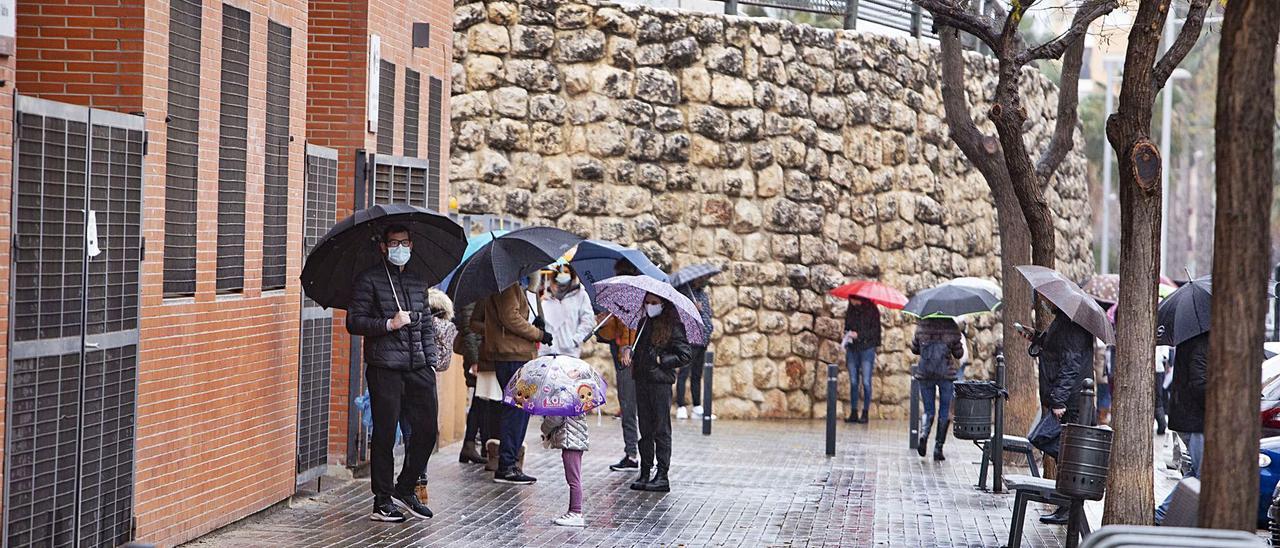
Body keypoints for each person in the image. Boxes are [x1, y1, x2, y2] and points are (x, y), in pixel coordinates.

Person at [344, 224, 438, 522]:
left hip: (418, 366)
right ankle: (382, 500)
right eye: (394, 243)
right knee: (385, 434)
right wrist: (389, 324)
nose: (401, 248)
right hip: (385, 367)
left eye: (405, 242)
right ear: (383, 246)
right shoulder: (369, 280)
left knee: (427, 429)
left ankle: (406, 487)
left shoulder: (417, 281)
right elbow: (354, 322)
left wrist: (431, 359)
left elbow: (424, 325)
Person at [471, 279, 553, 485]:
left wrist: (536, 326)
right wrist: (538, 334)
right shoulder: (507, 285)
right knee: (517, 410)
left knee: (518, 409)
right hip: (513, 355)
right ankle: (507, 465)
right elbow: (511, 318)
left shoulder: (513, 285)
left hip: (515, 354)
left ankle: (509, 463)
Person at [1022, 306, 1095, 525]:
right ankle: (1066, 505)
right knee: (1062, 451)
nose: (1048, 303)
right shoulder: (1063, 320)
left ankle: (1069, 504)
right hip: (1066, 397)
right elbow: (1057, 350)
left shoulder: (1072, 326)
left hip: (1070, 401)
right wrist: (1035, 336)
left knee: (1051, 443)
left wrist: (1059, 400)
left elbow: (1071, 364)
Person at [629, 291, 693, 492]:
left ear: (663, 304)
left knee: (661, 429)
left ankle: (662, 474)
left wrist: (661, 360)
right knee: (645, 429)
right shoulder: (643, 325)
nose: (649, 306)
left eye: (654, 302)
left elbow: (685, 354)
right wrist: (630, 355)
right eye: (647, 302)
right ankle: (645, 470)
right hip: (642, 381)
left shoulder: (674, 326)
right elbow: (639, 350)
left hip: (660, 383)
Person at [1155, 331, 1208, 524]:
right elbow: (1200, 383)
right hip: (1195, 420)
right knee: (1203, 475)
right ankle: (1163, 516)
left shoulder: (1194, 339)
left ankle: (1164, 515)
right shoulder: (1202, 342)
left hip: (1192, 418)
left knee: (1197, 473)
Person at [598, 262, 642, 473]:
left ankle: (632, 453)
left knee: (628, 404)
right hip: (626, 354)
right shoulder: (627, 295)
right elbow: (611, 331)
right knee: (630, 405)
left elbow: (628, 327)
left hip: (628, 357)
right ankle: (633, 451)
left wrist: (625, 346)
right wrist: (603, 321)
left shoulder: (629, 295)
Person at [910, 317, 964, 461]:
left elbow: (915, 349)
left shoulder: (922, 325)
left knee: (929, 410)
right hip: (945, 373)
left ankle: (924, 435)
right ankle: (938, 449)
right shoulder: (951, 326)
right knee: (944, 411)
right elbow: (959, 354)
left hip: (925, 371)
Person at [455, 301, 490, 465]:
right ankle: (470, 445)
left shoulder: (481, 297)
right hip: (477, 358)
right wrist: (475, 361)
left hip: (484, 356)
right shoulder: (470, 300)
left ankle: (480, 445)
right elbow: (468, 332)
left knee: (482, 402)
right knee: (479, 402)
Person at [541, 412, 589, 527]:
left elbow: (556, 418)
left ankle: (575, 512)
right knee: (573, 478)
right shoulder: (575, 396)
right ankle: (573, 512)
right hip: (574, 439)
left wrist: (544, 427)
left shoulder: (565, 397)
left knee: (573, 479)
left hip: (571, 441)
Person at [676, 278, 714, 420]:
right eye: (699, 280)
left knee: (697, 374)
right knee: (683, 373)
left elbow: (708, 314)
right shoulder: (685, 294)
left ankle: (697, 406)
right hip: (690, 340)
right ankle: (681, 406)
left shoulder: (702, 295)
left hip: (703, 341)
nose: (702, 281)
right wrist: (692, 309)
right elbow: (680, 316)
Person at [540, 265, 595, 358]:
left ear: (572, 274)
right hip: (547, 351)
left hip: (569, 352)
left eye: (566, 272)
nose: (563, 274)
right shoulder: (547, 296)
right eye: (560, 272)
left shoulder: (580, 294)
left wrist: (575, 340)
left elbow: (588, 320)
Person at [843, 296, 882, 423]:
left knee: (866, 382)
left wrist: (859, 335)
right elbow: (847, 325)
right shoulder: (851, 309)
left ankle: (865, 412)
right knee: (853, 382)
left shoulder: (872, 310)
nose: (850, 302)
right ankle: (854, 412)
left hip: (867, 349)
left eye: (852, 299)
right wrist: (848, 334)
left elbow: (876, 333)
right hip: (852, 349)